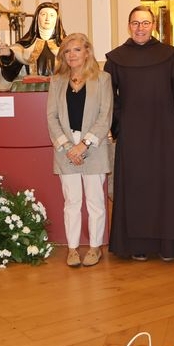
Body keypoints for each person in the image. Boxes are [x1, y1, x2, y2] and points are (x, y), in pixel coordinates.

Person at [105, 5, 174, 261]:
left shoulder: (169, 56)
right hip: (132, 134)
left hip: (164, 132)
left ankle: (168, 246)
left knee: (163, 189)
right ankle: (138, 245)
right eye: (135, 23)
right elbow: (109, 98)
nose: (140, 28)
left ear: (153, 26)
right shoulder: (116, 58)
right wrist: (119, 126)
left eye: (145, 23)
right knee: (136, 188)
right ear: (129, 25)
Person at [46, 33, 113, 268]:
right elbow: (51, 117)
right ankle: (72, 248)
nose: (72, 55)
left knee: (95, 200)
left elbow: (105, 116)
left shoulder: (103, 79)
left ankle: (95, 247)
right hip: (66, 148)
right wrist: (67, 146)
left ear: (87, 52)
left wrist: (83, 145)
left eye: (76, 50)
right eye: (67, 51)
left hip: (93, 146)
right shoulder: (56, 81)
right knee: (71, 201)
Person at [0, 2, 66, 91]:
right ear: (37, 18)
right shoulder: (23, 47)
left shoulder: (66, 46)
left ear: (57, 19)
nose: (47, 18)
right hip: (31, 93)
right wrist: (8, 56)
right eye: (43, 14)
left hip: (59, 92)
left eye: (52, 15)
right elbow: (10, 74)